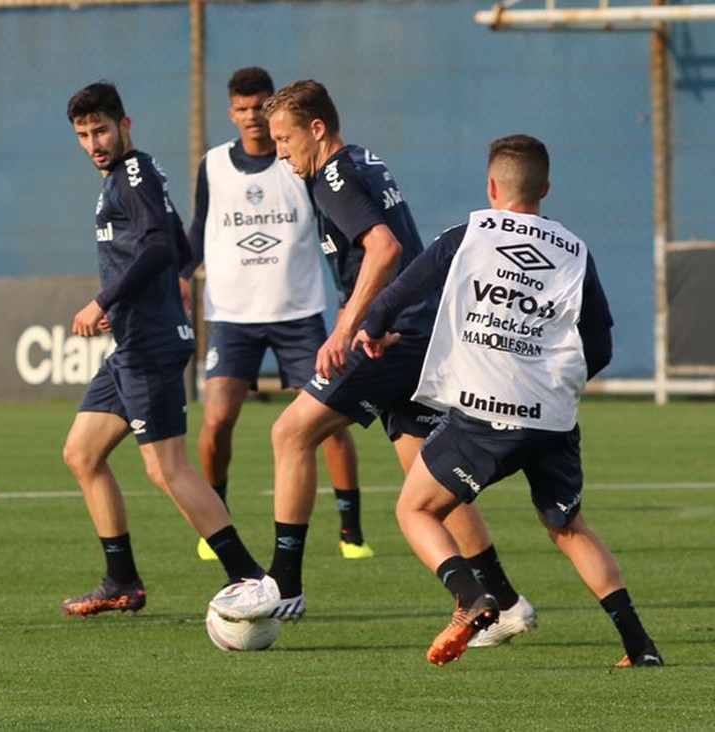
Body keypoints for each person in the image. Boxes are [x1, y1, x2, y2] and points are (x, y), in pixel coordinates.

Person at [211, 81, 534, 649]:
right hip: (419, 334)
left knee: (290, 432)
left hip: (393, 337)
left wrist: (347, 327)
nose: (279, 151)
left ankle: (284, 582)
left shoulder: (333, 175)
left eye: (286, 139)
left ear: (317, 129)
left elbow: (383, 247)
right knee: (428, 482)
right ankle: (503, 603)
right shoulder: (362, 161)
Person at [354, 134, 662, 667]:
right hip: (552, 416)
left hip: (487, 412)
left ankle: (471, 598)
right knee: (569, 528)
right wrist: (553, 381)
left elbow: (398, 294)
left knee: (415, 507)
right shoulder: (574, 252)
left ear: (492, 185)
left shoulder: (468, 234)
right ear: (545, 188)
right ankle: (641, 646)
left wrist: (374, 330)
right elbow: (602, 346)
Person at [61, 81, 266, 617]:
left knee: (168, 468)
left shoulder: (132, 173)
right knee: (82, 454)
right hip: (134, 341)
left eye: (101, 130)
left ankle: (250, 577)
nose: (93, 143)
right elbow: (174, 241)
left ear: (124, 125)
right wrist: (144, 293)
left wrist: (104, 298)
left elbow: (156, 243)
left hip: (149, 343)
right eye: (83, 134)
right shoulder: (126, 178)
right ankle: (122, 580)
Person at [182, 67, 369, 562]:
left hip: (297, 311)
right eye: (241, 109)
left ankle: (350, 529)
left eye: (259, 108)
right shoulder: (214, 164)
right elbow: (200, 225)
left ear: (272, 110)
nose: (251, 118)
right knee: (218, 419)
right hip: (232, 313)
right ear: (231, 113)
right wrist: (181, 275)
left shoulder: (301, 164)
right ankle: (214, 518)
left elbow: (337, 227)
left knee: (326, 421)